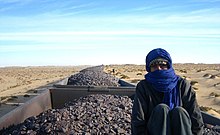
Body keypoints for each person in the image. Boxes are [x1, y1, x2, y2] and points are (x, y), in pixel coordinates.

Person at [131, 48, 204, 135]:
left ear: (168, 66)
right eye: (154, 66)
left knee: (179, 112)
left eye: (162, 65)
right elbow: (138, 118)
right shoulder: (144, 86)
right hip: (154, 131)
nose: (159, 69)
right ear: (149, 68)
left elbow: (195, 115)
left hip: (182, 130)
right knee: (161, 109)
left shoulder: (182, 84)